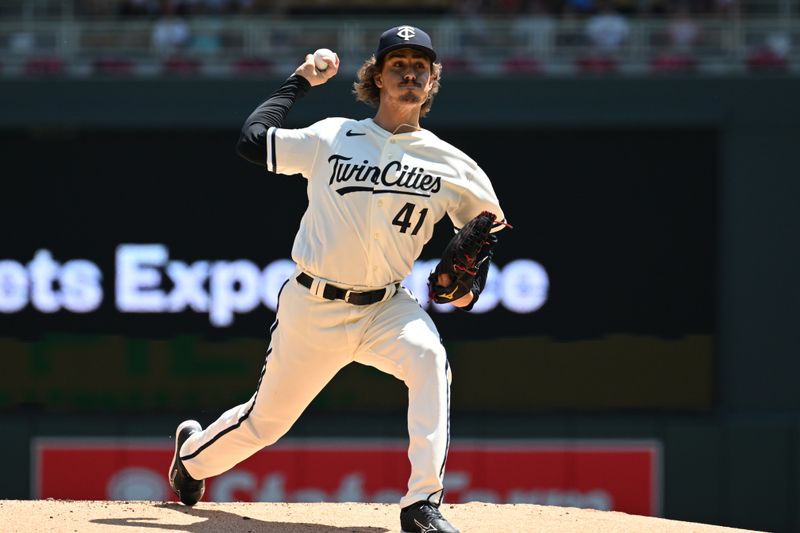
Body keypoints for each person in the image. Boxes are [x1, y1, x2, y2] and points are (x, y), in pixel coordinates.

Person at [168, 25, 506, 533]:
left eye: (420, 65)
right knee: (266, 423)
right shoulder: (334, 135)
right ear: (377, 76)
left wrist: (466, 289)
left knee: (430, 360)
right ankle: (190, 460)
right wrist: (300, 80)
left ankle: (422, 504)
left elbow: (483, 236)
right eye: (398, 64)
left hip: (386, 307)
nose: (410, 73)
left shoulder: (453, 164)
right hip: (313, 304)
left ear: (432, 79)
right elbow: (252, 141)